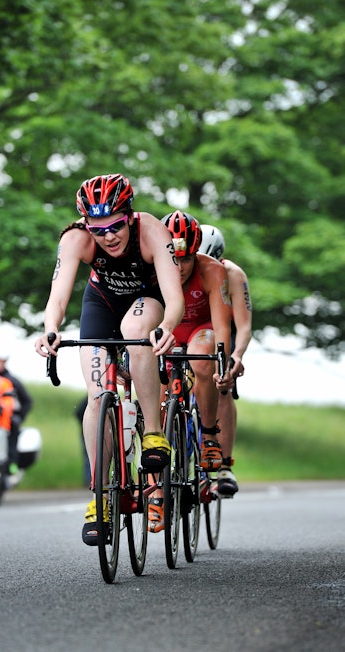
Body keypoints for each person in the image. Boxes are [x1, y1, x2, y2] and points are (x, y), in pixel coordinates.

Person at [35, 173, 191, 546]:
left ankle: (153, 434)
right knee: (96, 396)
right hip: (101, 303)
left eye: (116, 226)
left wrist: (167, 327)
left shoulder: (151, 232)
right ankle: (100, 496)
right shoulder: (75, 238)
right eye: (98, 229)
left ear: (130, 216)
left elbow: (175, 298)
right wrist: (51, 329)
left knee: (135, 330)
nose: (108, 237)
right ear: (86, 224)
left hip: (147, 301)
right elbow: (58, 296)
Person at [150, 211, 233, 532]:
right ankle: (157, 491)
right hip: (166, 333)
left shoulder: (212, 270)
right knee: (155, 404)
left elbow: (222, 326)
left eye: (186, 260)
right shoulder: (149, 268)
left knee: (202, 359)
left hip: (200, 328)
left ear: (196, 254)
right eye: (173, 259)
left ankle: (209, 435)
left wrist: (222, 359)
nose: (179, 267)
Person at [199, 224, 252, 496]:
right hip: (193, 329)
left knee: (222, 388)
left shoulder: (233, 274)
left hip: (222, 332)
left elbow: (243, 326)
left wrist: (236, 355)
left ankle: (225, 466)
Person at [0, 352, 33, 473]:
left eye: (1, 361)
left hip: (7, 417)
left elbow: (27, 401)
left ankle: (12, 464)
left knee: (13, 428)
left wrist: (19, 417)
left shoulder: (12, 381)